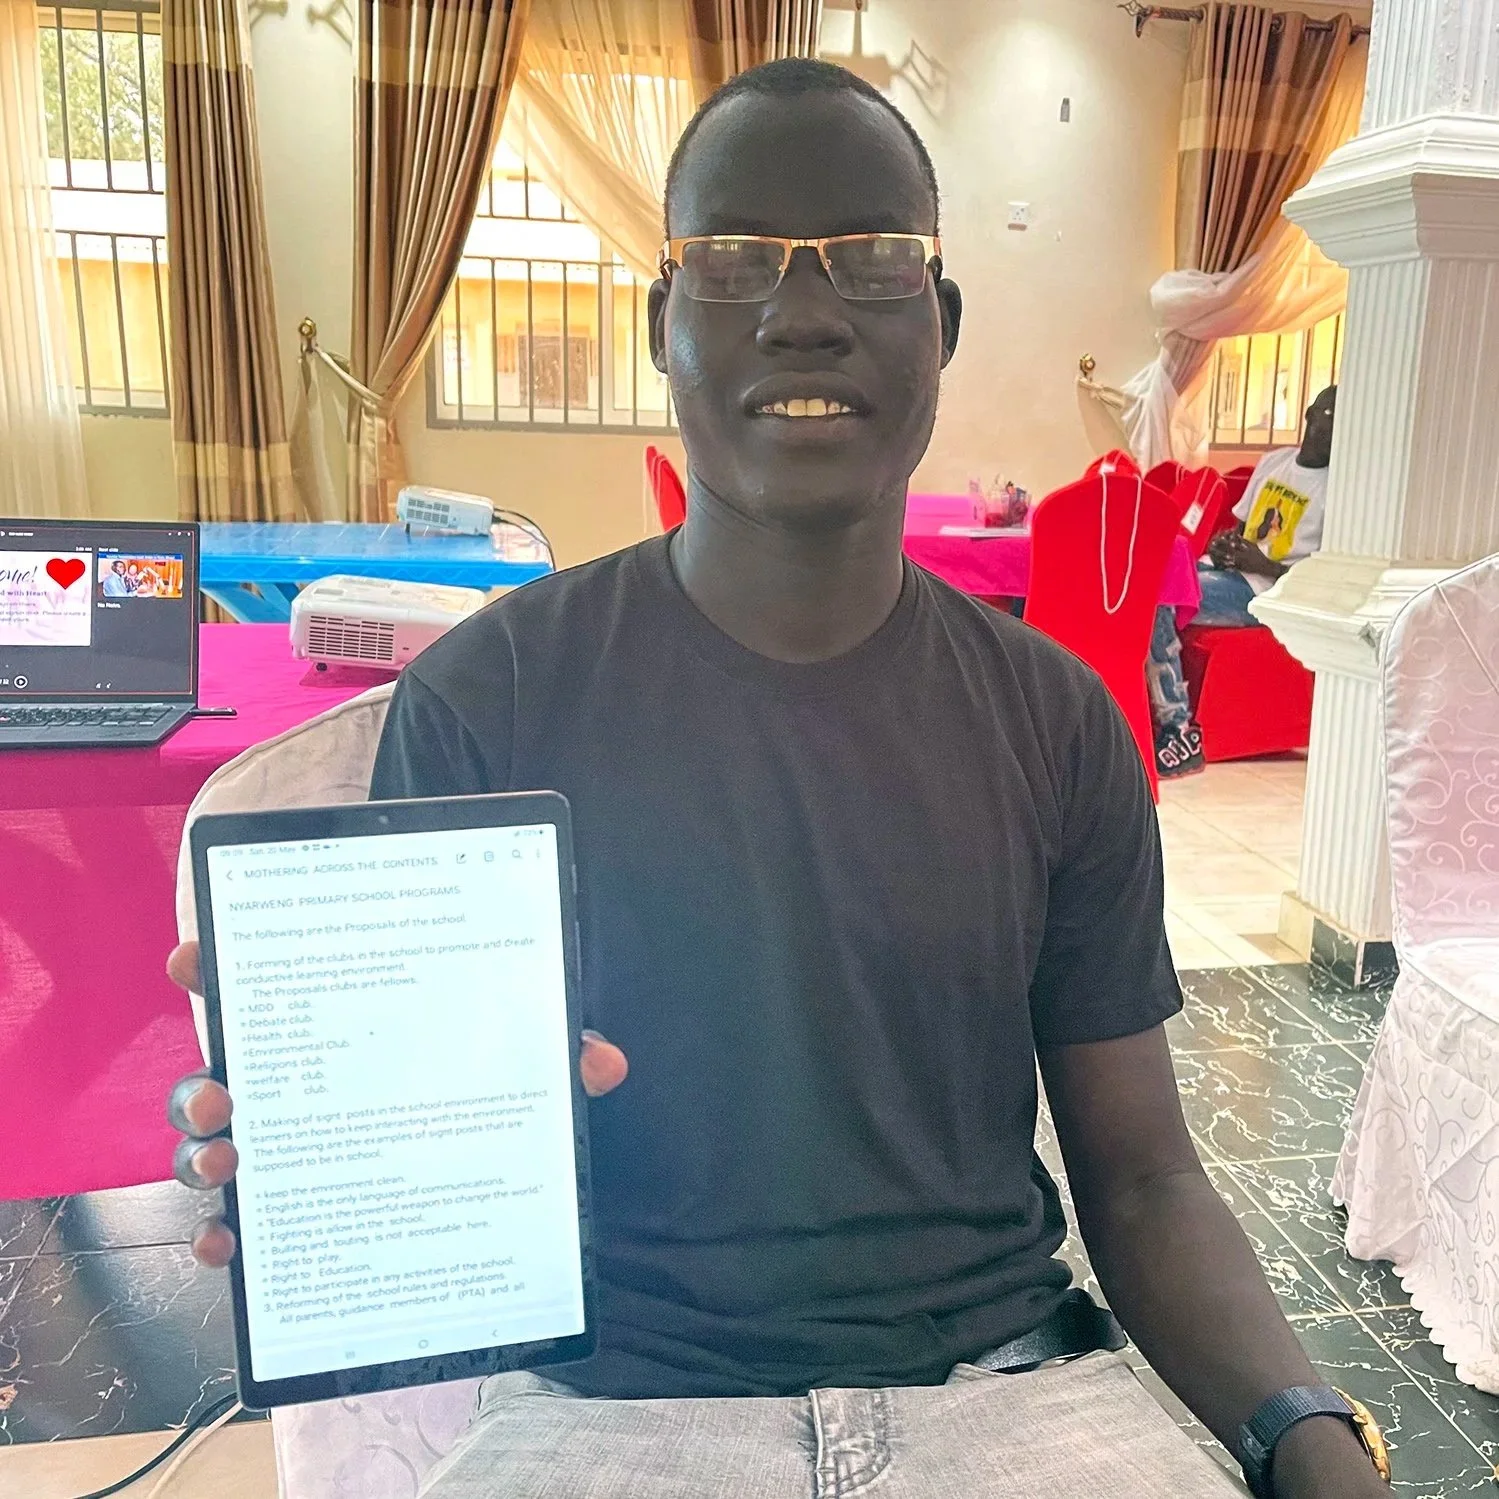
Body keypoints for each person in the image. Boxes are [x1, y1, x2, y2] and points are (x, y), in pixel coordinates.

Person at [164, 67, 1387, 1499]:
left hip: (1009, 1396)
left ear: (937, 326)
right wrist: (336, 1157)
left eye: (870, 258)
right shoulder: (488, 699)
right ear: (660, 325)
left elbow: (1143, 1175)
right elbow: (436, 1172)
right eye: (733, 258)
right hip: (612, 1411)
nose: (802, 311)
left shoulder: (1055, 720)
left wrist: (1307, 1435)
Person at [1147, 386, 1337, 779]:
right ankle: (1140, 712)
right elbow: (1241, 529)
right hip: (1230, 573)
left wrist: (1263, 564)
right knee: (1149, 577)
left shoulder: (1338, 490)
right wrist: (1224, 545)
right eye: (1330, 415)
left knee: (1160, 595)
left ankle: (1177, 727)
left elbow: (1324, 576)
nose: (1335, 428)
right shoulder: (1274, 463)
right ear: (1309, 415)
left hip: (1267, 591)